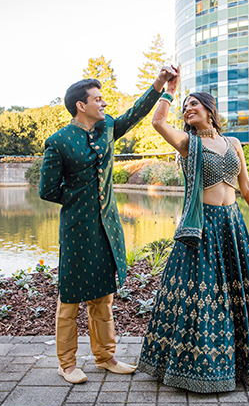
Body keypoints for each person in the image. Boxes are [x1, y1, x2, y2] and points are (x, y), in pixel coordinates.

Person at [136, 77, 249, 392]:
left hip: (232, 225)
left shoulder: (233, 143)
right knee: (203, 296)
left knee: (241, 292)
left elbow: (246, 186)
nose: (187, 109)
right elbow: (157, 121)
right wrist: (169, 90)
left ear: (210, 109)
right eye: (184, 107)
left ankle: (248, 362)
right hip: (202, 226)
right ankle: (198, 369)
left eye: (193, 104)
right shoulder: (187, 143)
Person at [40, 65, 178, 384]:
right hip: (76, 229)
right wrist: (78, 200)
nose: (104, 104)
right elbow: (47, 190)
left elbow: (136, 112)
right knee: (71, 297)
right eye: (98, 99)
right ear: (81, 105)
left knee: (103, 296)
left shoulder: (107, 129)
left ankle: (105, 357)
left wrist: (160, 84)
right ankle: (67, 363)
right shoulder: (58, 142)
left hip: (108, 229)